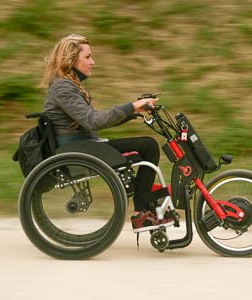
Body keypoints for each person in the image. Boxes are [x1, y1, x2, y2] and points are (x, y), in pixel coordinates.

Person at [42, 34, 174, 232]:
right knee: (148, 146)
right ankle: (143, 210)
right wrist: (130, 107)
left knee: (143, 148)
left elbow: (92, 121)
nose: (92, 62)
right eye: (88, 57)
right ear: (71, 58)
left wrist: (134, 111)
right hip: (78, 150)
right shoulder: (63, 87)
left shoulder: (70, 84)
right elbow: (92, 120)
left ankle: (145, 206)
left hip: (84, 145)